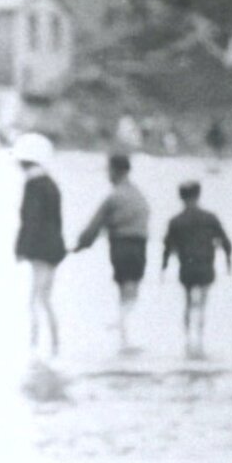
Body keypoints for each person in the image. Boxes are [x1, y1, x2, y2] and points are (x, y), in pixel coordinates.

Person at [72, 150, 152, 350]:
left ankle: (124, 333)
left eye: (108, 170)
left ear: (115, 171)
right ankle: (127, 335)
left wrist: (80, 246)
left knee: (124, 288)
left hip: (121, 245)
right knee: (132, 288)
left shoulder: (113, 197)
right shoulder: (139, 194)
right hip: (140, 246)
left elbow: (95, 225)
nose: (107, 174)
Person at [161, 179, 232, 356]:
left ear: (181, 197)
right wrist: (228, 262)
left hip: (186, 269)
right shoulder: (210, 218)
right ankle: (200, 339)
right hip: (205, 267)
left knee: (187, 302)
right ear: (198, 195)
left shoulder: (175, 221)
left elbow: (167, 247)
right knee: (203, 303)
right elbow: (226, 242)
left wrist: (163, 267)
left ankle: (187, 340)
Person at [12, 132, 66, 357]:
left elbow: (30, 220)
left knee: (35, 299)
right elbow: (56, 221)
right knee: (45, 298)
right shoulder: (51, 184)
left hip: (40, 250)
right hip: (55, 248)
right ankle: (55, 345)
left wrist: (20, 249)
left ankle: (34, 348)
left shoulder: (33, 185)